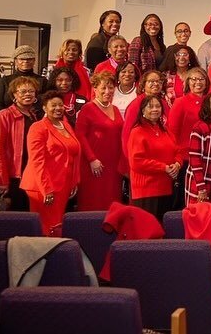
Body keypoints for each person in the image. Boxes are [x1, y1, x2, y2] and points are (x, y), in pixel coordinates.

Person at [20, 91, 82, 235]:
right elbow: (37, 161)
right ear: (44, 108)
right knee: (46, 228)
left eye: (60, 105)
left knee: (57, 225)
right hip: (43, 186)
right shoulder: (38, 127)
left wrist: (74, 181)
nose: (58, 108)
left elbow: (74, 154)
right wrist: (46, 188)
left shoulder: (66, 125)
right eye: (53, 105)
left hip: (63, 184)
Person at [0, 76, 41, 211]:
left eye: (31, 91)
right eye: (23, 91)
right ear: (14, 95)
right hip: (13, 176)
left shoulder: (33, 116)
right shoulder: (4, 115)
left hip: (30, 173)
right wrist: (2, 181)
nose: (28, 94)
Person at [127, 95, 182, 220]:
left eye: (158, 106)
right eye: (150, 106)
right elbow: (136, 162)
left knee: (162, 231)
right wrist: (164, 168)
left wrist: (177, 164)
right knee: (147, 233)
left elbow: (177, 151)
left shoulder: (165, 130)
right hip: (146, 191)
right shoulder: (137, 131)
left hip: (166, 188)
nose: (155, 109)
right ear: (143, 111)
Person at [75, 71, 123, 211]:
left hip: (114, 165)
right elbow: (80, 135)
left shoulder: (115, 109)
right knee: (93, 201)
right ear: (95, 89)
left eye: (110, 87)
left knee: (112, 201)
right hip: (95, 165)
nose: (107, 91)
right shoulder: (87, 109)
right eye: (103, 88)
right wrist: (92, 159)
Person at [121, 70, 171, 174]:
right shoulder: (136, 105)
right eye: (151, 81)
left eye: (159, 81)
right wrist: (129, 161)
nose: (156, 84)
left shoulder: (164, 103)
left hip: (162, 162)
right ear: (143, 84)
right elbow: (126, 135)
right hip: (142, 163)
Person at [167, 67, 210, 160]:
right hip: (186, 154)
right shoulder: (180, 102)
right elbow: (172, 131)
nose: (198, 82)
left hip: (208, 153)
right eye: (193, 79)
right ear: (187, 82)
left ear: (206, 83)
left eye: (201, 79)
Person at [0, 45, 47, 115]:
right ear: (16, 61)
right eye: (22, 59)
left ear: (34, 61)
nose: (26, 61)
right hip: (9, 120)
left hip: (35, 119)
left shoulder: (42, 81)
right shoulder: (5, 80)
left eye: (29, 59)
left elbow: (46, 103)